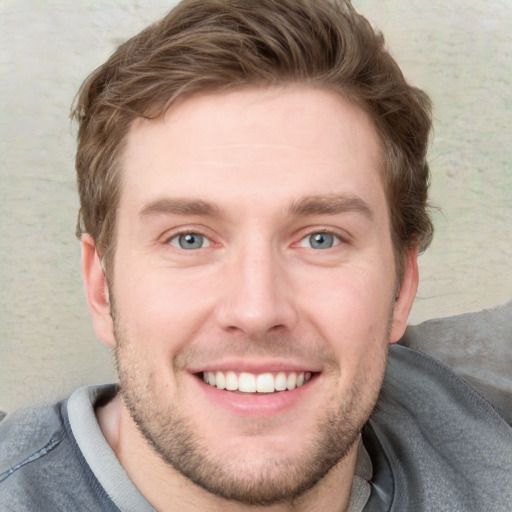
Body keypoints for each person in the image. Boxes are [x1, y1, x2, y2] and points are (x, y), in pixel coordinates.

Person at [1, 0, 511, 510]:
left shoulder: (483, 411)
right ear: (101, 288)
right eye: (189, 239)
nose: (256, 310)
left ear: (401, 287)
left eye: (321, 239)